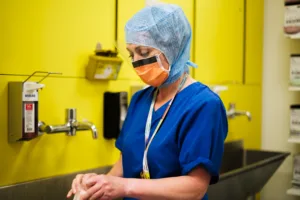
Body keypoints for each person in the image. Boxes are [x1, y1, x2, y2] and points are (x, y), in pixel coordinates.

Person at [67, 3, 228, 200]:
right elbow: (126, 162)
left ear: (173, 48)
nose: (136, 62)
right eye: (131, 54)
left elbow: (195, 187)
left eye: (143, 53)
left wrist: (125, 187)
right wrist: (97, 185)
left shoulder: (203, 105)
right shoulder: (140, 100)